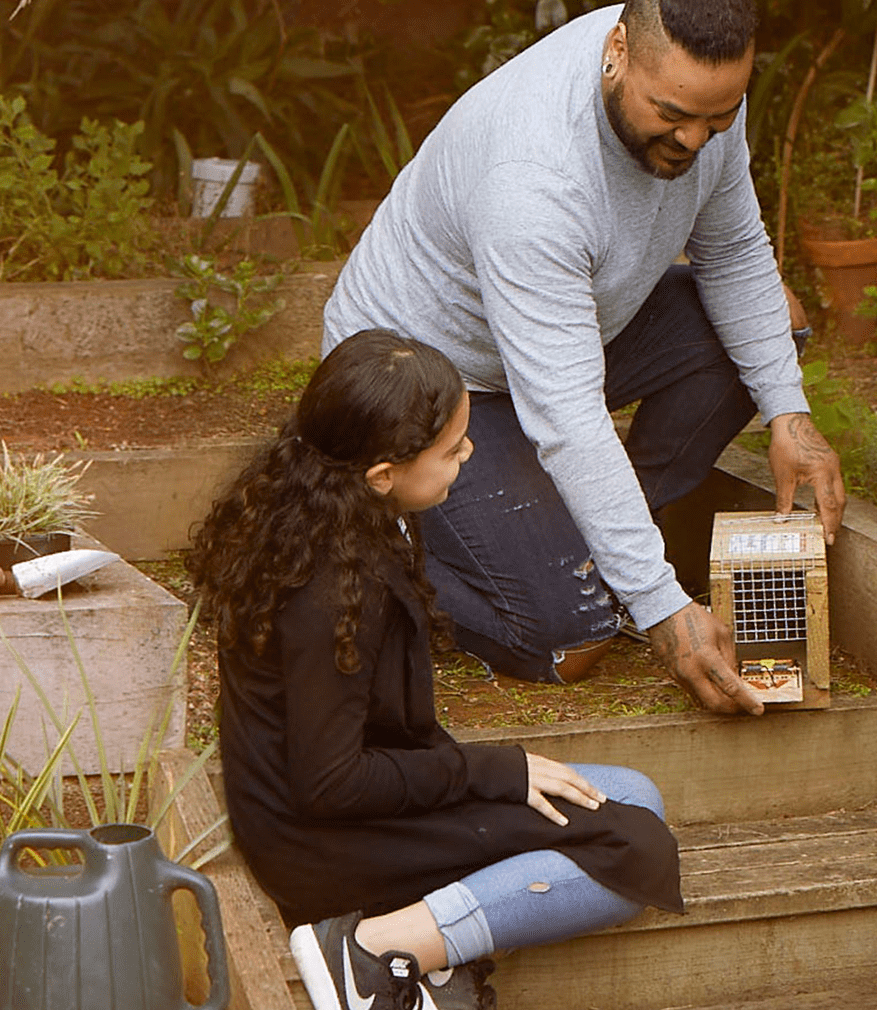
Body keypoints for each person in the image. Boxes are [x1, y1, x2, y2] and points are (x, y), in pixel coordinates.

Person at [320, 0, 846, 716]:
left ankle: (590, 537)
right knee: (571, 641)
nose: (696, 139)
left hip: (568, 330)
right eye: (671, 116)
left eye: (719, 116)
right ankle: (380, 542)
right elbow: (566, 414)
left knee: (776, 327)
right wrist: (663, 610)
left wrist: (789, 414)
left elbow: (734, 249)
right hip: (429, 377)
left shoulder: (695, 79)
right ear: (617, 49)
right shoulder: (533, 176)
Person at [188, 329, 684, 1010]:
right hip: (320, 839)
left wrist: (486, 777)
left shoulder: (357, 511)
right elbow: (330, 784)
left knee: (632, 796)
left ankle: (434, 944)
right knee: (633, 851)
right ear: (382, 472)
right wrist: (495, 772)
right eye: (452, 450)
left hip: (367, 798)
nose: (469, 454)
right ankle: (368, 956)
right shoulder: (329, 585)